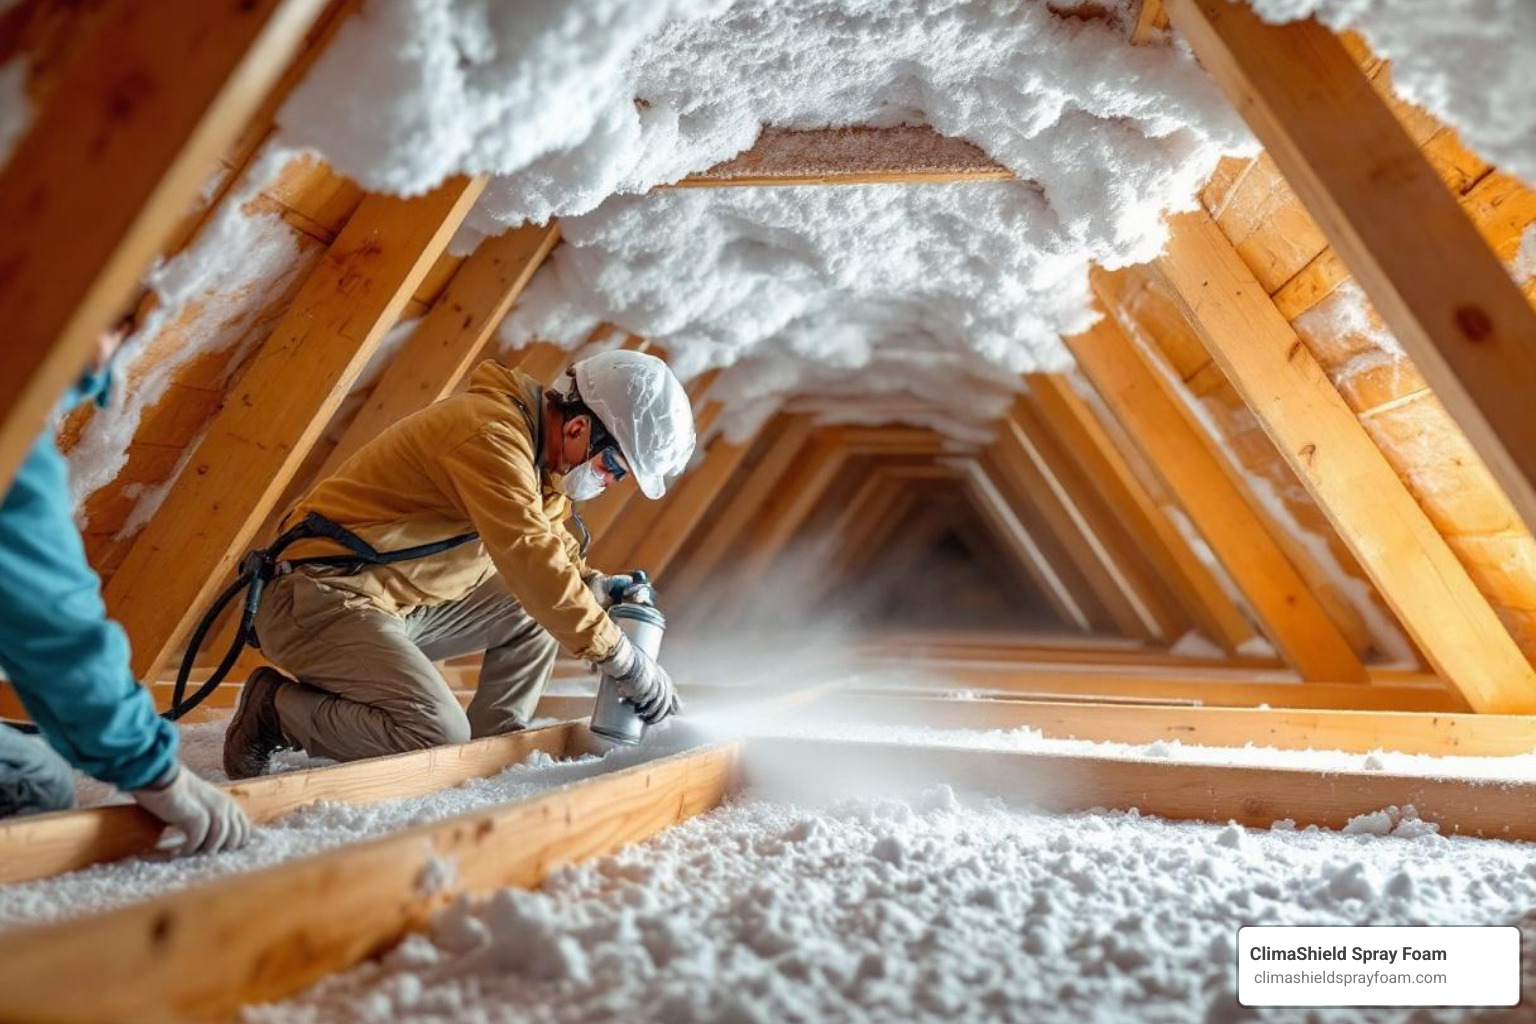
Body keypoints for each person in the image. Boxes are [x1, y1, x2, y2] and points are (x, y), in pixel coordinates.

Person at [223, 349, 695, 778]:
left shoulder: (539, 463)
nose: (610, 482)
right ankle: (275, 710)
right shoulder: (489, 437)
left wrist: (599, 588)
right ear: (578, 429)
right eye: (613, 466)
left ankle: (486, 755)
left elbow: (554, 553)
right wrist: (621, 658)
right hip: (314, 597)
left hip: (384, 604)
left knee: (529, 607)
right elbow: (530, 554)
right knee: (434, 733)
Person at [0, 319, 252, 854]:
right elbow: (53, 622)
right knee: (36, 783)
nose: (116, 346)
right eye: (117, 326)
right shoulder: (11, 418)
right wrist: (156, 773)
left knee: (42, 738)